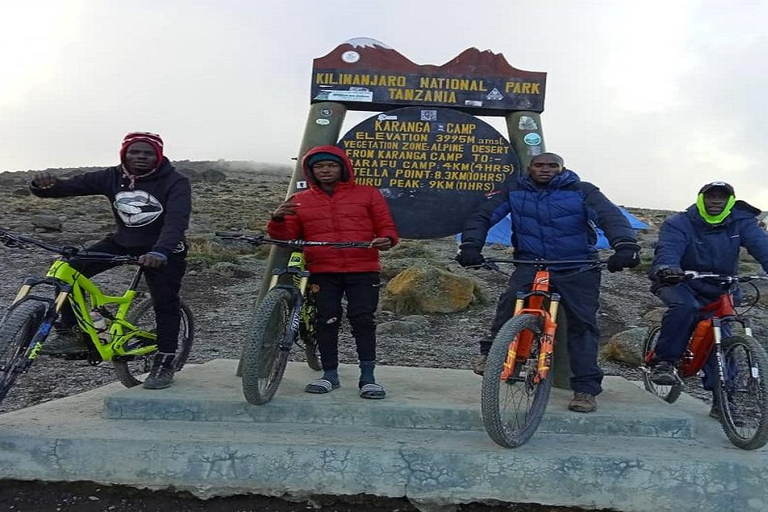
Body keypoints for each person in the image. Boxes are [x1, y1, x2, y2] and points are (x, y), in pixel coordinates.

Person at [457, 152, 640, 413]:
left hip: (576, 265)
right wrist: (471, 245)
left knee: (582, 324)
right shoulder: (514, 190)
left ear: (562, 168)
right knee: (510, 301)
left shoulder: (582, 190)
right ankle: (493, 355)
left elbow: (609, 216)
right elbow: (483, 216)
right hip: (531, 262)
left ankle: (585, 389)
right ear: (529, 168)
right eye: (539, 165)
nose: (545, 170)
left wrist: (625, 245)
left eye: (552, 165)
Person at [29, 132, 191, 390]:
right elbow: (66, 187)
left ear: (158, 155)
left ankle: (165, 359)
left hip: (164, 249)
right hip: (123, 241)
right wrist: (43, 186)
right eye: (134, 152)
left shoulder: (175, 181)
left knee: (165, 302)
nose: (140, 157)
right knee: (70, 270)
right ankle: (72, 331)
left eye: (147, 153)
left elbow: (176, 221)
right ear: (124, 153)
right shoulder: (112, 176)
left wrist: (161, 252)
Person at [268, 145, 398, 399]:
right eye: (318, 166)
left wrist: (387, 239)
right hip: (322, 269)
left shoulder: (367, 194)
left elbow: (386, 226)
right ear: (310, 171)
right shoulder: (299, 200)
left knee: (363, 320)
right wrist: (277, 219)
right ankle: (330, 375)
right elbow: (287, 238)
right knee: (326, 321)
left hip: (363, 267)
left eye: (331, 165)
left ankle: (368, 377)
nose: (325, 170)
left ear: (343, 168)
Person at [648, 181, 768, 415]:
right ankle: (664, 362)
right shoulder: (679, 223)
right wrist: (667, 268)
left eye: (721, 198)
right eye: (710, 196)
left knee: (722, 337)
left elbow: (762, 246)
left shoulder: (741, 222)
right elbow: (668, 249)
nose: (715, 201)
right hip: (679, 281)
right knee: (686, 308)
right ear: (701, 199)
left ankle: (723, 399)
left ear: (730, 201)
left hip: (722, 285)